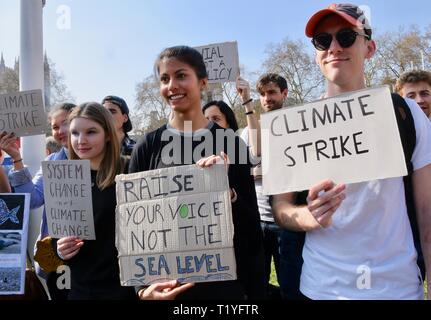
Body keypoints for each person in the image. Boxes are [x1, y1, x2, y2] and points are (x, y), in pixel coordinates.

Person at [272, 3, 431, 299]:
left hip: (397, 288)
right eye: (322, 40)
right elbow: (280, 210)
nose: (333, 47)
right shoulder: (292, 126)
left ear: (369, 48)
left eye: (346, 36)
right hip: (321, 288)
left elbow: (426, 210)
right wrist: (308, 216)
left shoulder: (405, 113)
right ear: (316, 53)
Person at [129, 45, 265, 300]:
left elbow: (251, 230)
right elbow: (132, 227)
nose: (172, 86)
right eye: (165, 79)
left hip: (223, 289)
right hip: (167, 287)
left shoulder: (230, 143)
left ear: (202, 83)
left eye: (181, 76)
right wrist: (142, 289)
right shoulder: (147, 146)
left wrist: (228, 194)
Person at [56, 102, 136, 300]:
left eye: (91, 132)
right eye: (74, 133)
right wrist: (60, 250)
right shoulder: (64, 177)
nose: (81, 140)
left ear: (108, 134)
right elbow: (60, 235)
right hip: (81, 289)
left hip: (126, 289)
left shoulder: (131, 170)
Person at [236, 74, 305, 300]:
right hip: (258, 220)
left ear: (284, 93)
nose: (267, 98)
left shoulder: (298, 126)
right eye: (263, 94)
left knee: (291, 285)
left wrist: (261, 170)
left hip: (288, 222)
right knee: (259, 285)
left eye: (272, 92)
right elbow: (248, 167)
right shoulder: (248, 131)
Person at [0, 102, 76, 300]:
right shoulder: (51, 163)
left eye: (65, 123)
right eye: (55, 126)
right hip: (56, 257)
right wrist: (16, 158)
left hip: (95, 258)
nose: (60, 131)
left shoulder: (102, 161)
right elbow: (32, 200)